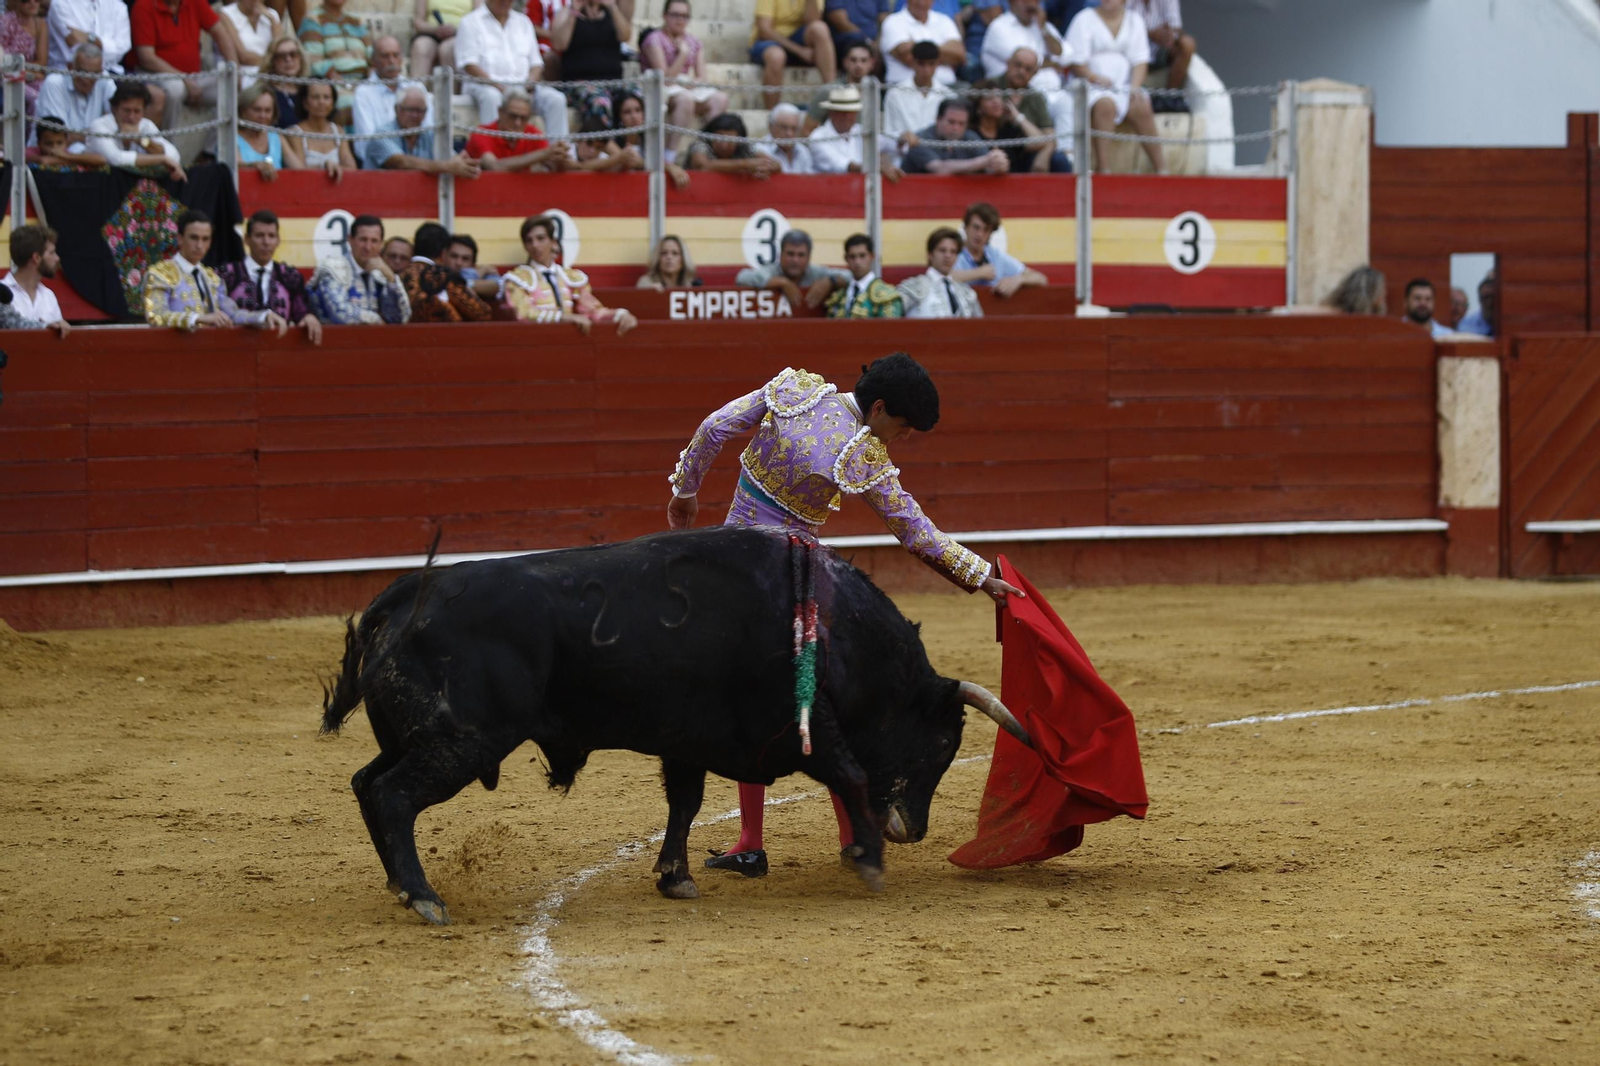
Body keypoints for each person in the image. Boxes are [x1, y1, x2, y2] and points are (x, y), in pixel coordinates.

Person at [665, 353, 1024, 876]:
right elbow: (913, 529)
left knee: (748, 697)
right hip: (793, 578)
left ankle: (751, 841)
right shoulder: (862, 454)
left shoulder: (798, 389)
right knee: (824, 695)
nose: (899, 440)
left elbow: (714, 426)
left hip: (734, 572)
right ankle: (854, 834)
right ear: (878, 408)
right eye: (901, 428)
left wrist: (685, 491)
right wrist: (977, 575)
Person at [143, 209, 289, 334]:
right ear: (180, 239)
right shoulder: (159, 274)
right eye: (194, 238)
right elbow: (156, 315)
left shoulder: (212, 278)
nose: (200, 245)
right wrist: (197, 318)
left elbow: (232, 314)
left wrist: (263, 316)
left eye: (205, 239)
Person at [1066, 0, 1165, 174]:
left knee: (1141, 104)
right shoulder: (1083, 18)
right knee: (1105, 105)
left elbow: (1141, 60)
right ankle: (1104, 168)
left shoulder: (1135, 20)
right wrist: (1094, 77)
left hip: (1124, 85)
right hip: (1090, 86)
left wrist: (1134, 88)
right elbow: (1076, 62)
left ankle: (1162, 168)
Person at [505, 214, 638, 335]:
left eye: (541, 238)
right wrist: (563, 317)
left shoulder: (570, 277)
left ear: (553, 242)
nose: (535, 245)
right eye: (529, 241)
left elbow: (593, 311)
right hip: (534, 341)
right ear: (525, 246)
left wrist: (621, 314)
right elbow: (524, 314)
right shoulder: (517, 279)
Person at [456, 0, 570, 139]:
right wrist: (502, 88)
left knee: (556, 99)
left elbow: (536, 64)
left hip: (523, 88)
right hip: (486, 85)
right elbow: (470, 64)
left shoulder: (523, 22)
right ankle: (492, 153)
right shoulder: (470, 22)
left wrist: (528, 84)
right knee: (492, 97)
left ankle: (559, 153)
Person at [131, 0, 240, 131]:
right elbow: (147, 58)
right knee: (175, 89)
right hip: (155, 74)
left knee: (231, 86)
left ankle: (212, 149)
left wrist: (235, 69)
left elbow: (220, 33)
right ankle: (167, 146)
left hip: (193, 76)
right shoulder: (144, 5)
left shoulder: (195, 2)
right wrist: (184, 78)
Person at [217, 209, 323, 344]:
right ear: (247, 239)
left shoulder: (290, 276)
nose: (266, 242)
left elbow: (300, 311)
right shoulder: (226, 275)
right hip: (234, 350)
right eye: (259, 235)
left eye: (271, 236)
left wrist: (308, 316)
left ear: (278, 240)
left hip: (279, 350)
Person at [641, 0, 728, 161]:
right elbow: (664, 79)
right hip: (659, 89)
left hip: (684, 84)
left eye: (685, 16)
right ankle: (670, 153)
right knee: (686, 100)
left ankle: (709, 149)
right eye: (675, 15)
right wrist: (682, 55)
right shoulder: (654, 39)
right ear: (665, 16)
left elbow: (702, 76)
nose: (680, 20)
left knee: (720, 99)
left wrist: (691, 83)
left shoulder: (694, 41)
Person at [976, 47, 1072, 172]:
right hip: (992, 146)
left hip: (1026, 149)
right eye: (1018, 65)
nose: (1021, 71)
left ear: (1035, 73)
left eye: (1028, 69)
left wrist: (1044, 155)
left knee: (1059, 160)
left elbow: (1049, 136)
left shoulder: (1036, 97)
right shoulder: (990, 86)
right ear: (1008, 62)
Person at [309, 213, 412, 325]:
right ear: (350, 240)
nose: (368, 247)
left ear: (381, 244)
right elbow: (340, 313)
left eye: (374, 241)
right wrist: (376, 320)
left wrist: (391, 279)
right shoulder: (333, 269)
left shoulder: (380, 275)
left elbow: (399, 319)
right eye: (363, 240)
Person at [365, 87, 482, 178]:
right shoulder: (382, 134)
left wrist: (462, 162)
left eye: (420, 111)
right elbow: (400, 162)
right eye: (410, 110)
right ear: (397, 109)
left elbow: (453, 160)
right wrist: (447, 166)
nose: (415, 115)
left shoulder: (429, 134)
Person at [550, 0, 631, 130]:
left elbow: (625, 36)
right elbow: (559, 44)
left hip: (613, 81)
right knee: (600, 102)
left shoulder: (611, 12)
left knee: (636, 96)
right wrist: (574, 12)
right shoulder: (566, 12)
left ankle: (637, 145)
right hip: (578, 84)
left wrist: (612, 6)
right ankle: (611, 149)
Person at [86, 82, 186, 181]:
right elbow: (115, 159)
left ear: (144, 111)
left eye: (137, 111)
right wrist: (162, 159)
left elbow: (173, 155)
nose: (131, 117)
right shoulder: (100, 126)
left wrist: (140, 140)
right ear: (115, 109)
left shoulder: (146, 125)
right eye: (126, 110)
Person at [400, 221, 494, 323]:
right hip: (443, 336)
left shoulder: (399, 274)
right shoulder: (442, 276)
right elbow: (482, 314)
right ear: (443, 252)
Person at [751, 0, 837, 109]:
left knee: (820, 28)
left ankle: (833, 93)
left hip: (797, 37)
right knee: (776, 56)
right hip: (768, 41)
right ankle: (772, 113)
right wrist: (800, 51)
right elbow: (764, 30)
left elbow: (813, 21)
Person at [734, 229, 847, 309]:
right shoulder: (772, 270)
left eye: (801, 255)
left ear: (808, 257)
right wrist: (783, 283)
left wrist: (830, 281)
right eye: (790, 254)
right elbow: (743, 277)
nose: (795, 260)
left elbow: (851, 276)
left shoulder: (816, 272)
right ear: (781, 254)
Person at [807, 86, 902, 180]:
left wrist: (904, 138)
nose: (847, 116)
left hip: (859, 188)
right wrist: (877, 168)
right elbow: (843, 165)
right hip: (828, 190)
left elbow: (889, 142)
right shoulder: (817, 137)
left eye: (851, 112)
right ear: (831, 112)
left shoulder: (860, 131)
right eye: (842, 112)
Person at [953, 201, 1047, 295]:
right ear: (965, 227)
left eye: (986, 230)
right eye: (976, 227)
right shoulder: (952, 252)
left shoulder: (995, 255)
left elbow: (1041, 279)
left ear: (990, 234)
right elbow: (941, 278)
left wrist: (1018, 280)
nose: (980, 234)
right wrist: (979, 273)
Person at [299, 0, 371, 117]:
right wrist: (346, 84)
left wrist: (370, 78)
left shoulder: (356, 20)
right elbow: (315, 60)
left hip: (364, 82)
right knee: (350, 103)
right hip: (333, 83)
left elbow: (371, 53)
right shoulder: (312, 20)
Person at [901, 97, 1007, 175]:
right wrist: (983, 162)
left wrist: (998, 164)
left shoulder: (969, 137)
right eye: (951, 122)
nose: (956, 128)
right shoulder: (920, 139)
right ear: (938, 120)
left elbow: (989, 166)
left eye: (961, 124)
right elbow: (939, 168)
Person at [464, 90, 564, 171]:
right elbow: (494, 166)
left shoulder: (531, 132)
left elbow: (556, 166)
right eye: (513, 116)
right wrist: (543, 154)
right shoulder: (482, 133)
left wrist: (560, 157)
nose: (518, 123)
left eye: (523, 118)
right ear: (500, 112)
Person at [353, 34, 431, 139]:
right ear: (373, 60)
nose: (392, 61)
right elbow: (367, 142)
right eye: (385, 56)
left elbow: (429, 130)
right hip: (380, 154)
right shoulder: (363, 93)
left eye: (396, 55)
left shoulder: (416, 87)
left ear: (401, 58)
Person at [981, 0, 1070, 90]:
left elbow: (1065, 56)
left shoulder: (1043, 25)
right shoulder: (999, 26)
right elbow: (1023, 61)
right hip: (1007, 94)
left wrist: (1043, 29)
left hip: (1053, 92)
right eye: (1025, 1)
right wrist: (1052, 63)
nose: (1031, 5)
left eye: (1035, 1)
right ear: (1011, 2)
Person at [969, 88, 1062, 174]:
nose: (996, 101)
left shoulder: (1009, 130)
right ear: (978, 107)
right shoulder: (971, 134)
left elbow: (1041, 142)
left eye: (998, 96)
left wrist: (1018, 117)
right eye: (989, 98)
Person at [610, 91, 692, 187]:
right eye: (627, 112)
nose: (634, 116)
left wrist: (669, 167)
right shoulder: (611, 140)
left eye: (638, 110)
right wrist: (668, 167)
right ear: (619, 117)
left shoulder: (650, 139)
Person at [36, 42, 115, 140]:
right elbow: (58, 138)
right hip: (57, 152)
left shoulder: (104, 79)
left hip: (92, 150)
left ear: (100, 71)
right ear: (70, 67)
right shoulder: (54, 83)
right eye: (82, 72)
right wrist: (100, 131)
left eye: (94, 74)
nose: (87, 79)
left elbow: (118, 122)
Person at [4, 224, 71, 338]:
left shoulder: (48, 296)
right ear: (36, 257)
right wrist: (43, 326)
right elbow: (12, 324)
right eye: (51, 253)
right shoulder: (2, 294)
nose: (57, 258)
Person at [898, 227, 982, 317]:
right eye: (942, 250)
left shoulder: (966, 293)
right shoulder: (914, 287)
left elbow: (980, 326)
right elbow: (890, 316)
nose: (947, 255)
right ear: (930, 254)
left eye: (953, 252)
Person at [883, 39, 955, 143]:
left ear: (937, 64)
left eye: (931, 64)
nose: (926, 70)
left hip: (937, 155)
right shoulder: (895, 93)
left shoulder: (948, 96)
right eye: (921, 64)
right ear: (913, 63)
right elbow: (889, 132)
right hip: (904, 153)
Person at [1128, 0, 1193, 112]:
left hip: (1159, 52)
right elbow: (1122, 28)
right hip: (1133, 54)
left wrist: (1170, 36)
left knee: (1187, 43)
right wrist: (1150, 33)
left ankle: (1170, 97)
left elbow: (1176, 27)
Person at [879, 0, 962, 87]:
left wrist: (917, 47)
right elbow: (908, 57)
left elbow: (959, 55)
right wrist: (944, 51)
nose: (921, 3)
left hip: (947, 89)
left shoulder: (945, 20)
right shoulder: (892, 21)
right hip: (904, 90)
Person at [236, 83, 306, 182]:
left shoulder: (276, 138)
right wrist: (254, 166)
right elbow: (234, 166)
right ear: (243, 111)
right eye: (257, 110)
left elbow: (301, 171)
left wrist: (325, 165)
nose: (263, 116)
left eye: (268, 110)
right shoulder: (232, 138)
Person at [289, 79, 357, 179]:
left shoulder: (338, 131)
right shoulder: (295, 133)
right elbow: (299, 171)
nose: (321, 102)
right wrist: (325, 167)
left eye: (326, 97)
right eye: (315, 97)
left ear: (333, 103)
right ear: (305, 103)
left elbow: (352, 168)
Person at [824, 233, 903, 318]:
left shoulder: (887, 296)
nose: (857, 261)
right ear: (846, 258)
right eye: (852, 256)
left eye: (862, 256)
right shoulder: (839, 297)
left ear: (871, 256)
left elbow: (889, 329)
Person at [803, 39, 874, 133]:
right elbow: (807, 129)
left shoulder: (875, 91)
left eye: (863, 60)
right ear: (845, 62)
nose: (858, 65)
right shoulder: (829, 91)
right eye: (853, 60)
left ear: (872, 63)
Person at [684, 112, 781, 178]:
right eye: (719, 138)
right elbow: (703, 165)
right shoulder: (701, 145)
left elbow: (776, 165)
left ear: (738, 140)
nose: (724, 145)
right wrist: (746, 165)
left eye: (730, 140)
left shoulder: (745, 147)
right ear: (711, 136)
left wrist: (762, 169)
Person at [47, 0, 132, 74]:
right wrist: (107, 47)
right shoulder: (61, 3)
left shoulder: (118, 6)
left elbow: (123, 47)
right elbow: (76, 45)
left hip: (112, 72)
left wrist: (92, 38)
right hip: (69, 73)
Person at [1, 0, 48, 116]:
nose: (32, 3)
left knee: (48, 93)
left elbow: (41, 62)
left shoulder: (40, 24)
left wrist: (30, 73)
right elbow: (4, 62)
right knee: (35, 99)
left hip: (29, 77)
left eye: (36, 0)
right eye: (26, 0)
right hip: (7, 77)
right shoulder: (5, 22)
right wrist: (32, 73)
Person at [410, 0, 476, 79]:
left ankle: (450, 90)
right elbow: (418, 22)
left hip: (460, 33)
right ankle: (416, 88)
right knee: (420, 46)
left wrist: (456, 30)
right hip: (431, 32)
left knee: (447, 49)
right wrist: (434, 30)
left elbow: (479, 20)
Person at [220, 0, 280, 87]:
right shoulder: (226, 13)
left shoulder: (272, 14)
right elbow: (243, 57)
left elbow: (282, 50)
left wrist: (273, 21)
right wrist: (274, 61)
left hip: (273, 74)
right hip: (244, 76)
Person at [259, 33, 309, 129]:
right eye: (281, 56)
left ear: (301, 58)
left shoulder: (309, 89)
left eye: (293, 54)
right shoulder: (265, 93)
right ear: (272, 61)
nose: (288, 59)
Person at [755, 102, 815, 174]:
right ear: (771, 126)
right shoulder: (760, 150)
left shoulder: (803, 151)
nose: (789, 134)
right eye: (783, 127)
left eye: (794, 129)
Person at [33, 115, 110, 170]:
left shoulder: (68, 153)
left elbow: (101, 160)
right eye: (49, 144)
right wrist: (78, 161)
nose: (54, 148)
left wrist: (65, 156)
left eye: (59, 143)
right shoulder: (31, 153)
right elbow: (44, 161)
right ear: (39, 143)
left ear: (66, 142)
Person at [443, 233, 501, 300]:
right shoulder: (435, 273)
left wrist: (467, 283)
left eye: (465, 259)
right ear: (444, 256)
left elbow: (497, 286)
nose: (458, 263)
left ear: (473, 264)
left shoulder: (481, 273)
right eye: (454, 256)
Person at [823, 0, 888, 60]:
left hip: (874, 40)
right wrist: (868, 42)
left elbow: (885, 20)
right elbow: (840, 21)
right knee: (855, 39)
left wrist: (878, 42)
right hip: (846, 38)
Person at [637, 235, 702, 290]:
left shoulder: (693, 284)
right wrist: (649, 294)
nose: (669, 257)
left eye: (675, 253)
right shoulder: (646, 283)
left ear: (683, 259)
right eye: (664, 253)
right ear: (657, 259)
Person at [1321, 265, 1385, 316]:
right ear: (1370, 291)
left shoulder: (1375, 315)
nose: (1384, 292)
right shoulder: (1331, 313)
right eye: (1380, 289)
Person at [1457, 271, 1495, 337]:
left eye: (1493, 297)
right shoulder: (1466, 326)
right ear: (1479, 299)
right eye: (1486, 298)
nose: (1490, 302)